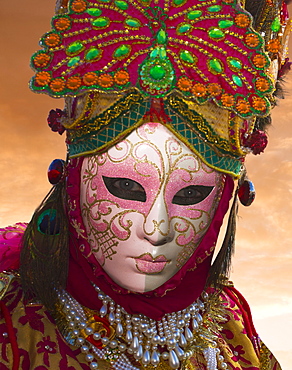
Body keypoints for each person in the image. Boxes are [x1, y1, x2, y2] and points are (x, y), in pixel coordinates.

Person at [0, 0, 290, 369]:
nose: (157, 229)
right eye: (126, 187)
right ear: (73, 182)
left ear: (225, 201)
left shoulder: (230, 325)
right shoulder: (11, 314)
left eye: (191, 195)